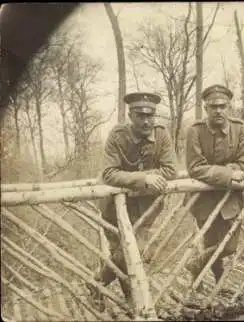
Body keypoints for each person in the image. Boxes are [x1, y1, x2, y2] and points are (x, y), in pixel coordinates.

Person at [87, 92, 178, 311]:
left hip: (147, 208)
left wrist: (149, 178)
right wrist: (144, 179)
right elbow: (109, 173)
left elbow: (171, 170)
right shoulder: (117, 136)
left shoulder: (162, 134)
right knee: (124, 252)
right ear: (131, 115)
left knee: (132, 251)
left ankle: (97, 283)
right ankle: (130, 298)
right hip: (113, 207)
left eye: (150, 115)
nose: (146, 120)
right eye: (140, 115)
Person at [185, 84, 244, 290]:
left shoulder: (240, 128)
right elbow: (195, 167)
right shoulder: (195, 131)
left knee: (229, 246)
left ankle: (196, 265)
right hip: (204, 199)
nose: (218, 110)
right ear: (206, 108)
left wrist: (223, 171)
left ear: (229, 107)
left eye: (222, 106)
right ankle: (217, 282)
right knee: (210, 240)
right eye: (213, 107)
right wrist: (229, 173)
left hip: (231, 198)